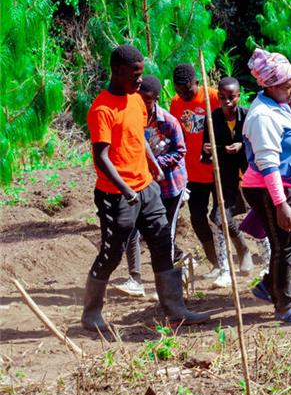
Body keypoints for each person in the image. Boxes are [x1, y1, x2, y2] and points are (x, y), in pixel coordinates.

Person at [82, 45, 207, 333]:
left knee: (163, 242)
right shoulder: (102, 109)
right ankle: (91, 313)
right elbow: (101, 156)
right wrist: (125, 189)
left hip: (147, 187)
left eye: (141, 74)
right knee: (112, 252)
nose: (140, 80)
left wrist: (154, 165)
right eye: (135, 75)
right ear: (117, 71)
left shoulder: (136, 101)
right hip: (116, 194)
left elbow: (138, 137)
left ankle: (175, 309)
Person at [242, 49, 291, 323]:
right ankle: (284, 306)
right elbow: (268, 164)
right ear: (270, 86)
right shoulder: (262, 116)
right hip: (272, 188)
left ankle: (269, 284)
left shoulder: (279, 105)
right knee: (284, 245)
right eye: (288, 87)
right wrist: (280, 204)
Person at [116, 75, 189, 297]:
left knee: (165, 233)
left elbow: (180, 151)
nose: (142, 104)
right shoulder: (131, 118)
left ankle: (172, 274)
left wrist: (154, 164)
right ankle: (135, 279)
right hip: (141, 185)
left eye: (146, 100)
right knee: (133, 230)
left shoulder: (168, 122)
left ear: (155, 99)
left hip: (169, 186)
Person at [170, 63, 233, 279]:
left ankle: (238, 255)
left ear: (196, 82)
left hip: (217, 169)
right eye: (179, 91)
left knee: (221, 216)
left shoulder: (215, 97)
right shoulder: (176, 103)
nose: (183, 95)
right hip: (193, 172)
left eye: (187, 90)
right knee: (197, 218)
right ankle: (215, 261)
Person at [201, 77, 254, 279]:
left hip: (249, 174)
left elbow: (255, 143)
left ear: (239, 96)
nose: (227, 102)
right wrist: (208, 150)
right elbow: (206, 153)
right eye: (222, 98)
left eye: (231, 97)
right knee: (218, 217)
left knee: (259, 215)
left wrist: (241, 144)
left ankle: (268, 263)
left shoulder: (247, 116)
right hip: (225, 175)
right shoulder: (212, 119)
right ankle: (238, 253)